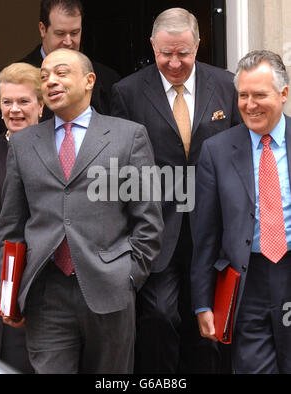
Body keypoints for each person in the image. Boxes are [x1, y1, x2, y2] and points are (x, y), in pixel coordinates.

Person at [0, 48, 163, 374]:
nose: (51, 82)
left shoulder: (128, 137)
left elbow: (148, 221)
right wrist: (9, 294)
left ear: (89, 81)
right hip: (45, 292)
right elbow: (10, 228)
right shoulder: (25, 143)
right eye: (43, 77)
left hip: (110, 289)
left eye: (61, 73)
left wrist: (128, 276)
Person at [110, 7, 241, 374]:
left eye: (183, 53)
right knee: (159, 318)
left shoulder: (228, 86)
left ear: (198, 46)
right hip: (156, 228)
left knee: (210, 329)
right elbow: (120, 168)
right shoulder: (128, 92)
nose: (174, 62)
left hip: (214, 229)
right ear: (152, 46)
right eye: (165, 53)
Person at [191, 50, 291, 374]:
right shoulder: (216, 151)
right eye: (243, 95)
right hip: (247, 281)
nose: (250, 105)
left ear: (284, 94)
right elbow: (205, 234)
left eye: (259, 95)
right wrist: (203, 302)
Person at [0, 0, 120, 138]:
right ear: (42, 29)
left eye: (75, 33)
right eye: (60, 33)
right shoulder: (8, 80)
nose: (68, 41)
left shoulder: (107, 78)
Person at [0, 62, 44, 373]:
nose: (14, 110)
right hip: (2, 297)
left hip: (52, 297)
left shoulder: (63, 154)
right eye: (7, 102)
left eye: (23, 101)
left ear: (41, 104)